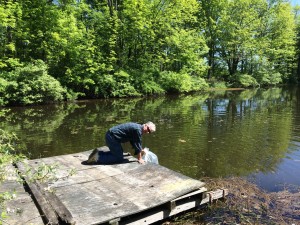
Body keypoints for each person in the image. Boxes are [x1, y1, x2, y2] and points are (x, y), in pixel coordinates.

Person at [87, 121, 156, 164]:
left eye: (149, 132)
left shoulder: (137, 128)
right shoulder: (138, 130)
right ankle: (97, 158)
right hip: (112, 138)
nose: (147, 132)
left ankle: (99, 153)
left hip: (111, 136)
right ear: (145, 125)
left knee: (118, 153)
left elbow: (134, 142)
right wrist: (140, 159)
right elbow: (138, 144)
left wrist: (140, 150)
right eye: (148, 129)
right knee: (119, 158)